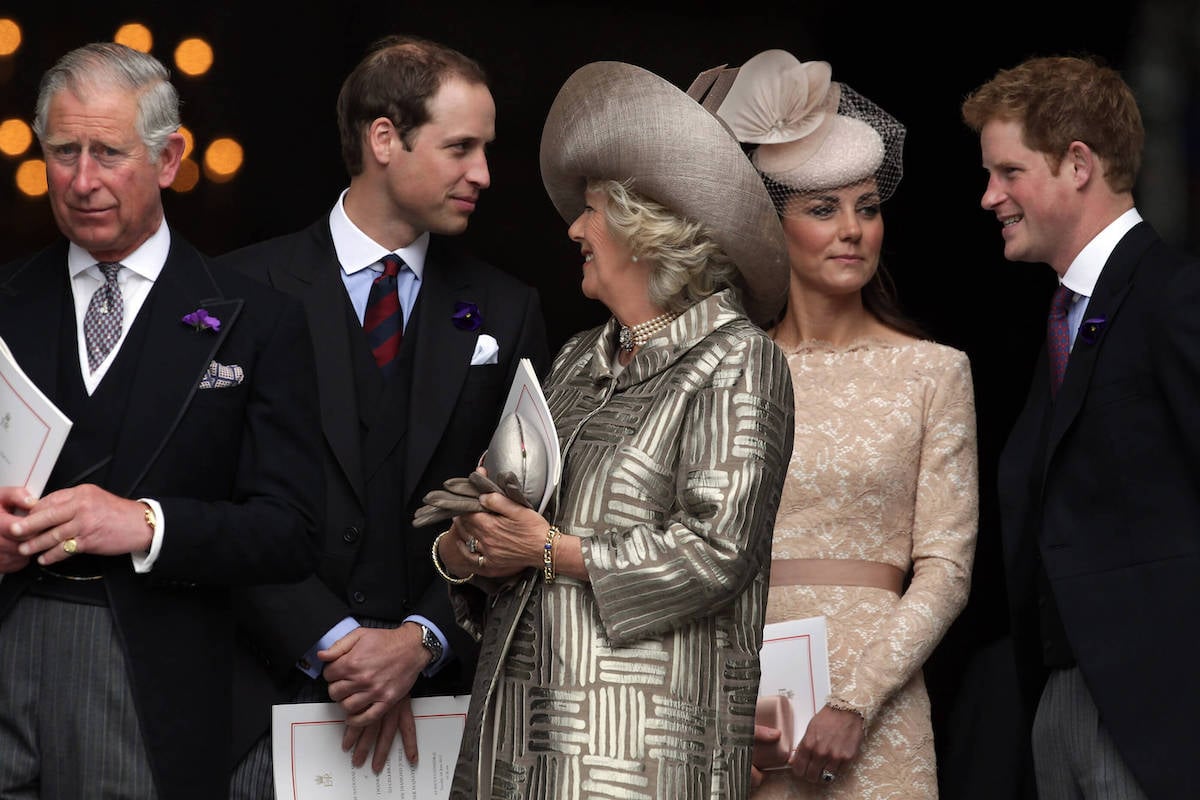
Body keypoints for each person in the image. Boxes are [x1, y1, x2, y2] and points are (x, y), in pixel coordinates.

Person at [422, 60, 795, 799]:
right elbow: (504, 502)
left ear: (643, 227)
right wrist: (470, 548)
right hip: (517, 741)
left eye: (592, 211)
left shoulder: (736, 359)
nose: (574, 229)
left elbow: (718, 552)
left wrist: (551, 550)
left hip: (638, 758)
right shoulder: (574, 360)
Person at [219, 34, 550, 796]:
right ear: (383, 139)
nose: (484, 174)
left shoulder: (507, 305)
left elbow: (522, 498)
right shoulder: (245, 290)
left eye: (485, 149)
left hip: (443, 723)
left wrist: (421, 640)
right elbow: (217, 488)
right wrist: (333, 642)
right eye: (461, 147)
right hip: (268, 707)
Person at [0, 42, 322, 800]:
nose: (82, 181)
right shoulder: (6, 302)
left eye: (108, 154)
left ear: (170, 158)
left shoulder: (259, 322)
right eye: (63, 152)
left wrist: (148, 524)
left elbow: (291, 530)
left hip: (149, 673)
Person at [691, 49, 979, 797]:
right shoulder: (728, 369)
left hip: (878, 712)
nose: (852, 229)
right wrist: (729, 704)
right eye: (823, 209)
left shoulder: (933, 371)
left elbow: (946, 568)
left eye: (867, 207)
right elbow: (686, 552)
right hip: (744, 706)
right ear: (773, 225)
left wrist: (856, 698)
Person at [962, 54, 1200, 800]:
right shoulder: (1064, 318)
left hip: (1160, 714)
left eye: (1007, 172)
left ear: (1077, 164)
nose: (988, 196)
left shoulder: (1174, 296)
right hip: (1061, 703)